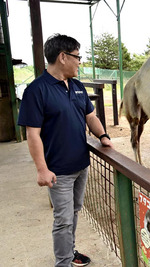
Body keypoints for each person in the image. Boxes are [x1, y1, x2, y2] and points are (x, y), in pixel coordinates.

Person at [18, 34, 113, 267]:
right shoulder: (37, 90)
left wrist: (103, 136)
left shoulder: (78, 86)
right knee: (63, 220)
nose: (80, 61)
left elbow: (90, 116)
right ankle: (63, 263)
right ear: (63, 57)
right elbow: (33, 134)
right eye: (77, 56)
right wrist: (42, 170)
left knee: (74, 212)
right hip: (57, 170)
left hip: (81, 165)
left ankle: (69, 253)